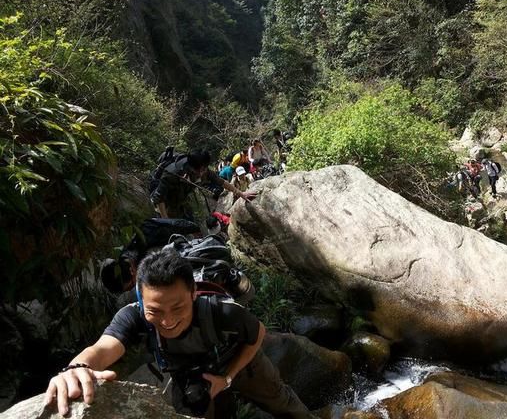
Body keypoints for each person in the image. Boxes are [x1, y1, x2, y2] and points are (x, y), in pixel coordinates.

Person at [45, 248, 316, 419]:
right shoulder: (133, 315)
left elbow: (257, 334)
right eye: (155, 311)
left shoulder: (222, 311)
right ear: (141, 301)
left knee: (282, 403)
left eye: (178, 307)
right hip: (190, 376)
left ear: (193, 293)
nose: (168, 320)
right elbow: (104, 347)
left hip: (238, 363)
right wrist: (76, 367)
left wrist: (228, 377)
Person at [151, 150, 255, 219]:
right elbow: (159, 199)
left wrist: (241, 193)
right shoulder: (171, 174)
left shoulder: (202, 168)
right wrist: (166, 221)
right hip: (167, 205)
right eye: (200, 170)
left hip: (184, 200)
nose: (202, 172)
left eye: (204, 169)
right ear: (192, 167)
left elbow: (221, 182)